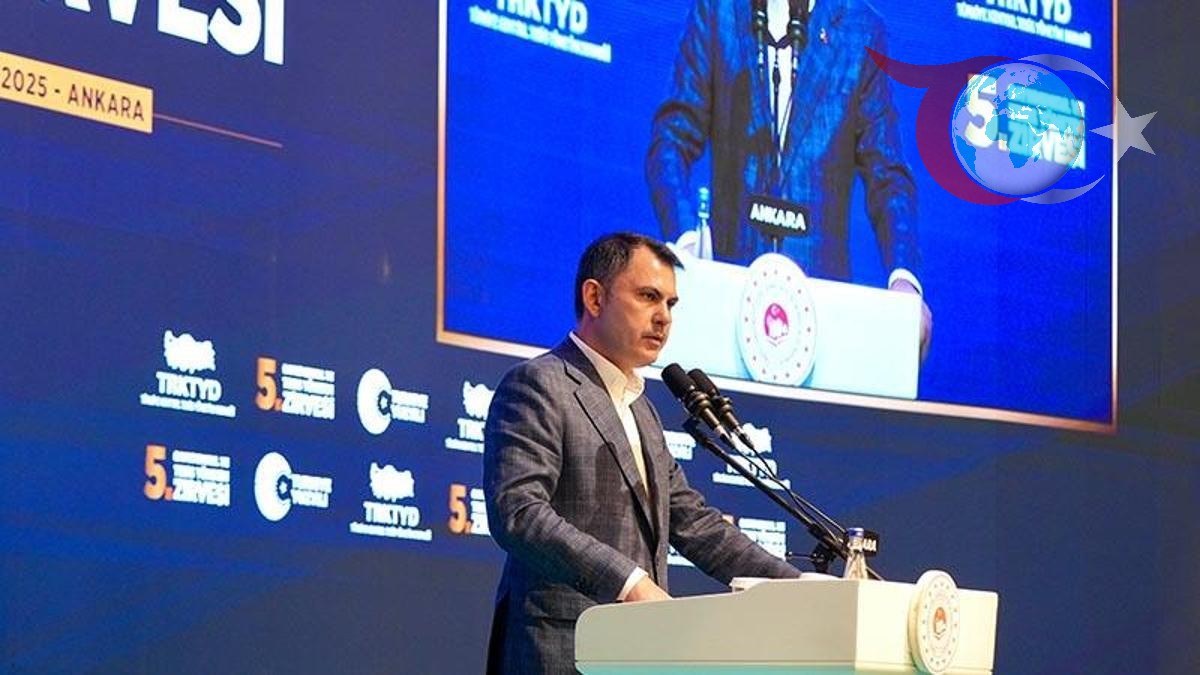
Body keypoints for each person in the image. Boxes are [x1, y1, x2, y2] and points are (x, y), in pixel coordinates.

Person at [483, 233, 801, 674]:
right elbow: (518, 513)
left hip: (636, 653)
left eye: (671, 304)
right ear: (595, 297)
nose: (664, 317)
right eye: (648, 297)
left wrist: (797, 588)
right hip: (561, 648)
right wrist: (629, 582)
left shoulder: (641, 409)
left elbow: (694, 524)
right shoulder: (539, 384)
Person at [646, 0, 932, 355]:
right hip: (727, 292)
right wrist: (686, 243)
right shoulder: (719, 12)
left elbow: (887, 175)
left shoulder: (860, 28)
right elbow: (670, 141)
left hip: (819, 305)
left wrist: (904, 281)